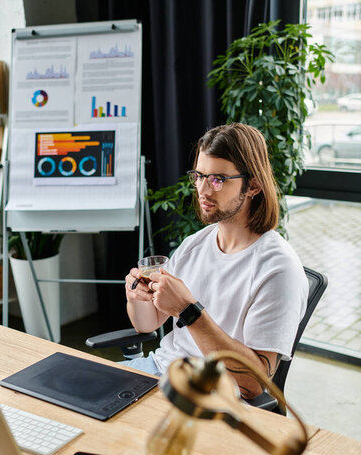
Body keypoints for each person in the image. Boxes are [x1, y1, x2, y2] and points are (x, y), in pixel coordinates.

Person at [124, 123, 308, 400]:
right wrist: (136, 296)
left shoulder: (278, 269)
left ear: (254, 185)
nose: (203, 190)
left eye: (218, 179)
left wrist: (189, 312)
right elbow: (147, 324)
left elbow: (254, 383)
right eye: (199, 176)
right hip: (159, 370)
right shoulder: (194, 245)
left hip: (213, 396)